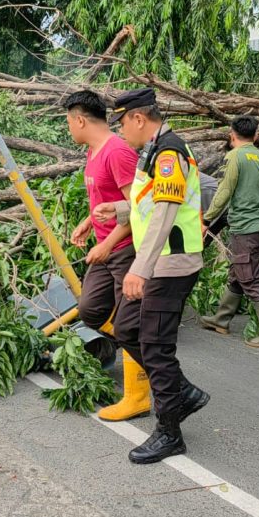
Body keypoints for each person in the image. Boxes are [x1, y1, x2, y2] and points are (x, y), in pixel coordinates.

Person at [92, 88, 209, 463]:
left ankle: (170, 431)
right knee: (126, 329)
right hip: (156, 261)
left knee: (157, 347)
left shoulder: (170, 152)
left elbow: (166, 212)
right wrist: (121, 209)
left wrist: (140, 270)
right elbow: (149, 204)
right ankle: (182, 392)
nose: (122, 131)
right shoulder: (154, 151)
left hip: (169, 264)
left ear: (138, 119)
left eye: (123, 123)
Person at [62, 91, 150, 422]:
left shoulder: (118, 152)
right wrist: (87, 223)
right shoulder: (93, 152)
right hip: (104, 247)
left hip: (124, 250)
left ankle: (137, 395)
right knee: (90, 309)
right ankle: (140, 343)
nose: (68, 127)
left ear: (80, 119)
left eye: (68, 121)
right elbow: (104, 199)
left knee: (129, 327)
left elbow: (139, 209)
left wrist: (108, 244)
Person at [199, 116, 259, 350]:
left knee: (250, 278)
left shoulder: (235, 156)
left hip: (246, 227)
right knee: (238, 272)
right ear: (256, 136)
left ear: (231, 134)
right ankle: (221, 319)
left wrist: (206, 219)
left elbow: (225, 190)